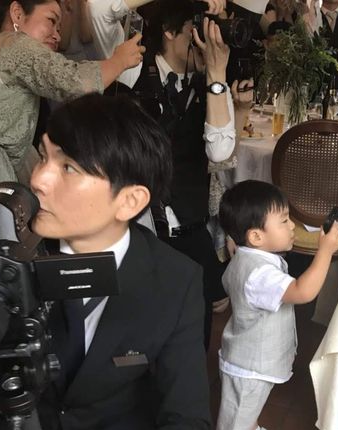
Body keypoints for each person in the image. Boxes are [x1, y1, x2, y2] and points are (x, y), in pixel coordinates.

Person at [0, 93, 219, 430]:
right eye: (44, 155)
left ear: (129, 200)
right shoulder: (7, 258)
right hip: (14, 427)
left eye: (68, 167)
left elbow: (190, 424)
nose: (38, 179)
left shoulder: (174, 281)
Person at [89, 0, 251, 347]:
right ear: (169, 30)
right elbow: (100, 9)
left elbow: (220, 152)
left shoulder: (211, 84)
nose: (205, 35)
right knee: (140, 340)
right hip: (137, 233)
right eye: (196, 26)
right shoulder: (132, 67)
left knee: (194, 338)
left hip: (190, 232)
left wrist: (217, 76)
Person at [213, 180, 338, 430]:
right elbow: (303, 291)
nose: (292, 226)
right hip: (249, 362)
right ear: (256, 237)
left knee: (252, 402)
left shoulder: (251, 256)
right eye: (284, 221)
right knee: (240, 407)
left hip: (256, 357)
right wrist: (325, 251)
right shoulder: (259, 273)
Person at [0, 0, 143, 192]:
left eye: (59, 28)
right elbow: (75, 82)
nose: (57, 35)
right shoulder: (18, 45)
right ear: (17, 13)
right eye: (51, 21)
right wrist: (119, 61)